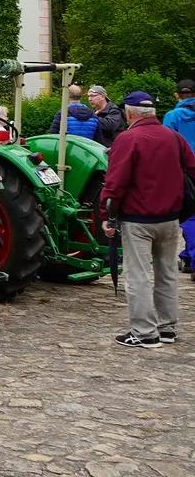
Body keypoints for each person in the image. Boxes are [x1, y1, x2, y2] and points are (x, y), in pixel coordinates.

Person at [100, 91, 195, 348]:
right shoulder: (173, 137)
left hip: (137, 218)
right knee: (166, 274)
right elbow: (192, 169)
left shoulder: (128, 139)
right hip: (170, 218)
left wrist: (106, 216)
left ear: (129, 113)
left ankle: (144, 332)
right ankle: (167, 328)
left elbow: (115, 182)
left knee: (138, 275)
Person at [162, 78, 195, 277]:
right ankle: (188, 256)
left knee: (190, 216)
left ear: (177, 95)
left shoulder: (172, 116)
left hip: (185, 172)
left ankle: (192, 258)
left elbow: (167, 146)